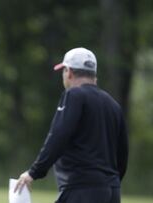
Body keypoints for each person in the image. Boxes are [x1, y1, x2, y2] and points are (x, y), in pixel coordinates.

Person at [14, 47, 128, 203]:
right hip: (112, 191)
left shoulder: (74, 95)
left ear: (69, 72)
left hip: (82, 189)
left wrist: (34, 172)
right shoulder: (113, 104)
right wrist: (110, 182)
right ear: (93, 74)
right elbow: (122, 153)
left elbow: (59, 136)